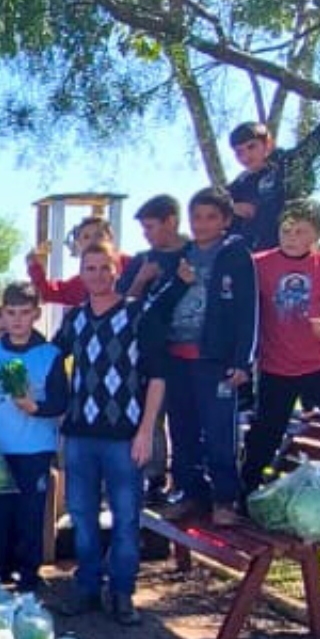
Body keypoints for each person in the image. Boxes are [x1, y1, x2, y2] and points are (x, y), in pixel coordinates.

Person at [54, 240, 169, 625]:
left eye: (105, 268)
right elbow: (50, 362)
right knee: (82, 516)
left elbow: (157, 377)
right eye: (90, 268)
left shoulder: (139, 314)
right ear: (81, 273)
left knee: (126, 517)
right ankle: (87, 585)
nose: (98, 275)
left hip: (124, 435)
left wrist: (146, 431)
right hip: (80, 434)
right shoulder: (74, 319)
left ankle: (122, 591)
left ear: (117, 270)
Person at [142, 188, 259, 525]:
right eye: (196, 217)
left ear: (225, 220)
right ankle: (190, 494)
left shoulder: (236, 256)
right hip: (178, 357)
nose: (202, 224)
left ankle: (225, 500)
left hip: (216, 360)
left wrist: (242, 360)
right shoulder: (183, 255)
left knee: (219, 431)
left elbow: (247, 311)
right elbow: (158, 304)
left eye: (211, 217)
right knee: (183, 430)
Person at [240, 200, 320, 495]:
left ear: (316, 234)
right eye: (286, 231)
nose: (291, 238)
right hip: (276, 366)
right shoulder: (258, 264)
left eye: (300, 232)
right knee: (265, 432)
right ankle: (246, 492)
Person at [0, 283, 70, 591]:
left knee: (29, 516)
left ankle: (29, 574)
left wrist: (34, 407)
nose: (17, 320)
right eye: (10, 313)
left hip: (35, 449)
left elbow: (61, 401)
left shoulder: (49, 355)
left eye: (24, 313)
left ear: (36, 314)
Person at [227, 114, 320, 252]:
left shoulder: (286, 164)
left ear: (267, 144)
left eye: (251, 147)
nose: (246, 156)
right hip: (254, 256)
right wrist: (231, 207)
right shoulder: (240, 183)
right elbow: (211, 203)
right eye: (239, 152)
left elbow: (314, 142)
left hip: (290, 250)